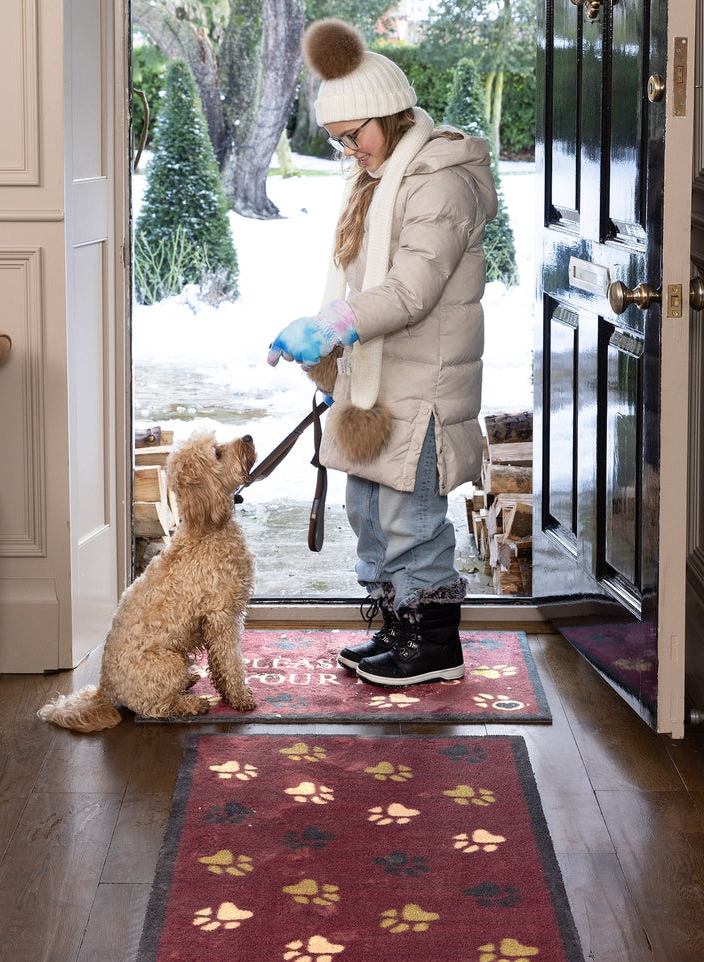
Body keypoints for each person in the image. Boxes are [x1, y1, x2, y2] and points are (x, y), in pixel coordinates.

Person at [267, 18, 498, 687]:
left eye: (352, 137)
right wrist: (325, 339)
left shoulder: (438, 182)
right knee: (369, 510)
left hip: (422, 382)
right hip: (376, 380)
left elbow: (409, 291)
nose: (347, 154)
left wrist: (333, 325)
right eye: (337, 143)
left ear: (388, 117)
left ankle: (433, 647)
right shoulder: (380, 175)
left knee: (410, 517)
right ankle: (397, 627)